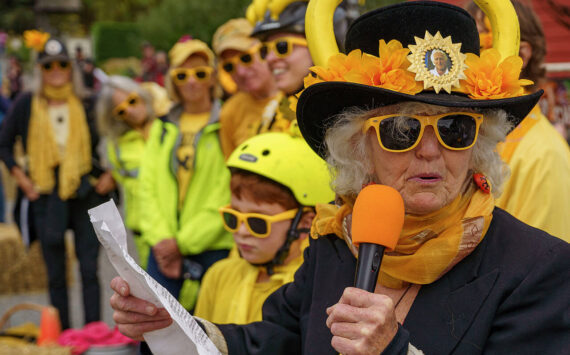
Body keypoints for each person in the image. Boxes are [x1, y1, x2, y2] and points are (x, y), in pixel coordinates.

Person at [109, 2, 569, 353]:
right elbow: (276, 339)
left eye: (455, 129)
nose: (432, 151)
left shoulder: (536, 268)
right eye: (401, 130)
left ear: (478, 143)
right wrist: (171, 326)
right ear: (359, 148)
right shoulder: (338, 241)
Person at [0, 34, 114, 329]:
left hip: (85, 191)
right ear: (40, 70)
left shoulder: (88, 102)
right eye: (48, 66)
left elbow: (117, 138)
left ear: (71, 68)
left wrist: (111, 174)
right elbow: (4, 144)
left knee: (89, 269)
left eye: (62, 64)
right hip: (46, 194)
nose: (56, 71)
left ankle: (93, 332)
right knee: (55, 274)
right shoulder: (26, 104)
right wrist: (22, 181)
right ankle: (63, 335)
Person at [194, 132, 334, 324]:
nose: (241, 231)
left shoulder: (313, 290)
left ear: (305, 223)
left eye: (257, 222)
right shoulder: (218, 275)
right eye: (232, 217)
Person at [139, 36, 233, 311]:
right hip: (163, 247)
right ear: (172, 80)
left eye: (200, 73)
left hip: (213, 247)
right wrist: (162, 240)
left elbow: (227, 190)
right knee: (155, 327)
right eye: (182, 74)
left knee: (209, 334)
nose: (192, 81)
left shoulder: (227, 123)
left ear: (212, 78)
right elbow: (147, 187)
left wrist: (182, 243)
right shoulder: (162, 127)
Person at [466, 0, 570, 242]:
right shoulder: (464, 137)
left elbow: (547, 268)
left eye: (478, 47)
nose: (465, 65)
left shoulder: (542, 156)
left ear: (521, 55)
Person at [247, 0, 348, 131]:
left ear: (317, 44)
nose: (270, 58)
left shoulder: (344, 114)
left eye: (282, 46)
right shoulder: (272, 111)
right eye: (264, 50)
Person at [96, 76, 156, 268]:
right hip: (142, 226)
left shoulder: (167, 128)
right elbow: (119, 174)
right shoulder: (117, 145)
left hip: (176, 224)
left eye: (132, 101)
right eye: (121, 111)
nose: (130, 110)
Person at [213, 18, 280, 158]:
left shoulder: (299, 95)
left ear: (263, 50)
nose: (241, 72)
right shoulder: (230, 112)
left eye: (246, 58)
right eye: (229, 66)